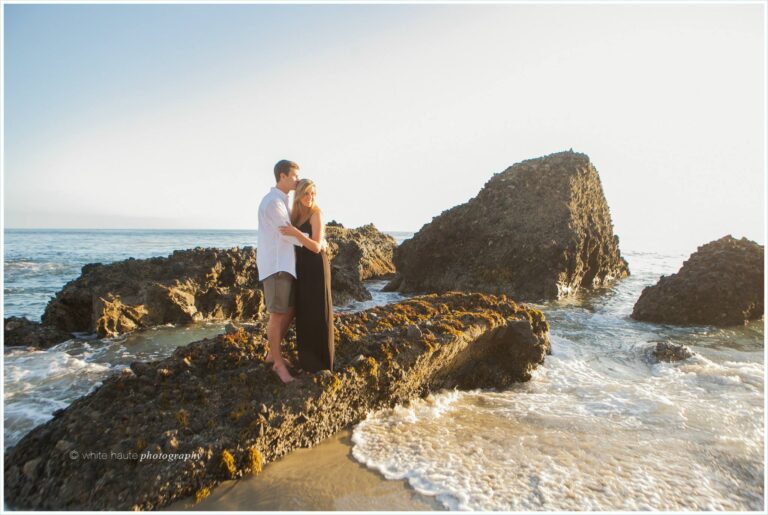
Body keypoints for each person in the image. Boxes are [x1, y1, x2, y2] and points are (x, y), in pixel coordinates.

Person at [279, 179, 334, 372]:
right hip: (301, 267)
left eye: (313, 194)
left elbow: (316, 246)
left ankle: (322, 363)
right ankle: (307, 362)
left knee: (318, 312)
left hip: (316, 266)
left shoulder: (316, 214)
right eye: (306, 194)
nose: (310, 198)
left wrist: (297, 233)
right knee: (304, 313)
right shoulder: (295, 215)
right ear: (299, 195)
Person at [257, 159, 304, 384]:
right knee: (277, 315)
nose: (298, 180)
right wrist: (314, 244)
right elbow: (287, 233)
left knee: (290, 309)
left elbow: (291, 231)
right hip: (276, 266)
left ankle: (271, 355)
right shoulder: (273, 202)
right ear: (282, 176)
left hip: (286, 265)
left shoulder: (283, 201)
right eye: (294, 176)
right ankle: (277, 364)